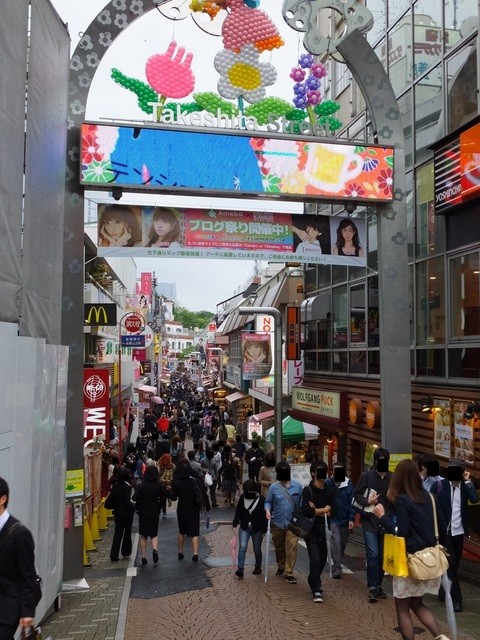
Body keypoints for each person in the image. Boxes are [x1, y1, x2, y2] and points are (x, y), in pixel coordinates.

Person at [373, 459, 451, 640]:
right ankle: (440, 637)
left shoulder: (403, 500)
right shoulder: (431, 497)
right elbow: (442, 527)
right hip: (430, 561)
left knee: (402, 608)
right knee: (417, 604)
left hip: (410, 562)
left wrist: (382, 517)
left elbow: (401, 533)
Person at [432, 457, 479, 613]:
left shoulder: (465, 487)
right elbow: (431, 505)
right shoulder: (440, 485)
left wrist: (468, 481)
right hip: (444, 532)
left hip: (458, 532)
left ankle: (442, 589)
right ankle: (457, 599)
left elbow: (475, 499)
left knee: (454, 564)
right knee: (451, 565)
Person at [353, 447, 393, 602]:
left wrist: (393, 498)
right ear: (375, 461)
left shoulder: (392, 478)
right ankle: (372, 587)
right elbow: (356, 495)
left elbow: (398, 500)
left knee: (382, 556)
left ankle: (378, 584)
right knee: (373, 554)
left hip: (386, 523)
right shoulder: (366, 476)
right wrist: (368, 501)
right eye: (380, 461)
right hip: (369, 521)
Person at [0, 477, 39, 640]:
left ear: (3, 499)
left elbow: (28, 576)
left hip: (8, 608)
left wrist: (27, 611)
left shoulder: (19, 533)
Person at [302, 461, 336, 603]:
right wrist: (324, 510)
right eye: (320, 471)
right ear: (313, 473)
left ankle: (312, 578)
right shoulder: (307, 490)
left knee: (322, 560)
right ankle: (316, 589)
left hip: (324, 531)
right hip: (311, 531)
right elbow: (307, 511)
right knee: (315, 560)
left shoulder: (330, 490)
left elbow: (333, 511)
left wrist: (316, 510)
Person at [265, 461, 303, 584]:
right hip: (277, 522)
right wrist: (267, 510)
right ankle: (281, 566)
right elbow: (268, 501)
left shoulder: (298, 486)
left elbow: (301, 504)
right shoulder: (273, 487)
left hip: (293, 523)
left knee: (292, 546)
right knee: (279, 547)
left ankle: (288, 572)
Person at [170, 458, 210, 562]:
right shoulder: (194, 481)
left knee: (181, 531)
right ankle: (195, 553)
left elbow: (174, 497)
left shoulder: (177, 483)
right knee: (194, 532)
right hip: (194, 509)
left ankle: (180, 551)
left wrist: (167, 492)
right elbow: (203, 493)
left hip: (181, 509)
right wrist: (207, 506)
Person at [325, 462, 356, 579]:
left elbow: (352, 502)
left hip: (345, 519)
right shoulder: (328, 483)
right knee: (335, 542)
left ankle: (337, 561)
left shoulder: (348, 484)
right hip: (333, 518)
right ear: (332, 472)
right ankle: (337, 568)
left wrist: (351, 518)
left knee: (342, 543)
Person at [232, 479, 268, 578]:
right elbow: (239, 511)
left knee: (257, 549)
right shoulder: (243, 497)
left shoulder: (262, 499)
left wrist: (264, 530)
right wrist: (235, 522)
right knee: (242, 547)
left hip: (257, 528)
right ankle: (240, 569)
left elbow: (264, 516)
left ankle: (258, 567)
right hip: (245, 527)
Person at [133, 465, 166, 565]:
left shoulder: (141, 486)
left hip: (143, 511)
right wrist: (159, 507)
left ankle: (143, 556)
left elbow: (134, 497)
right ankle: (155, 549)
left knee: (143, 535)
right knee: (154, 534)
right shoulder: (159, 486)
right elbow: (163, 500)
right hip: (154, 511)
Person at [109, 467, 135, 562]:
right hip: (127, 513)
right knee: (127, 532)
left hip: (118, 512)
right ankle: (126, 551)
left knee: (118, 532)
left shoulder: (116, 486)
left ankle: (114, 554)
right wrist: (134, 506)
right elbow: (127, 501)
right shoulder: (127, 487)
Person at [157, 453, 176, 519]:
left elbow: (158, 477)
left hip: (162, 485)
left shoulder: (159, 465)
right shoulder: (173, 466)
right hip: (169, 484)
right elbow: (174, 475)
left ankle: (163, 511)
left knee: (162, 499)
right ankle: (168, 501)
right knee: (167, 495)